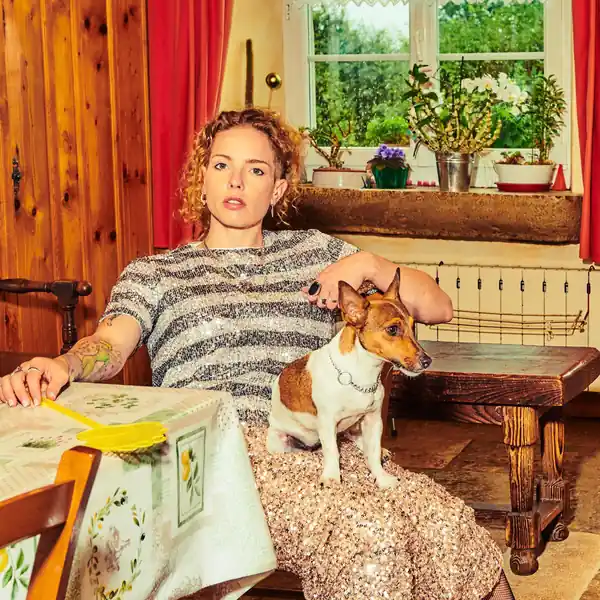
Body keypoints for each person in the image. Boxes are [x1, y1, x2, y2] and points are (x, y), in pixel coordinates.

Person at [0, 108, 515, 600]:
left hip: (325, 443)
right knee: (368, 532)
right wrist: (64, 364)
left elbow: (438, 307)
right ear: (202, 179)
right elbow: (111, 344)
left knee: (446, 524)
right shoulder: (156, 274)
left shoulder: (317, 255)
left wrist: (368, 263)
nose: (236, 181)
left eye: (256, 170)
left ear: (278, 189)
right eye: (221, 165)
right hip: (219, 457)